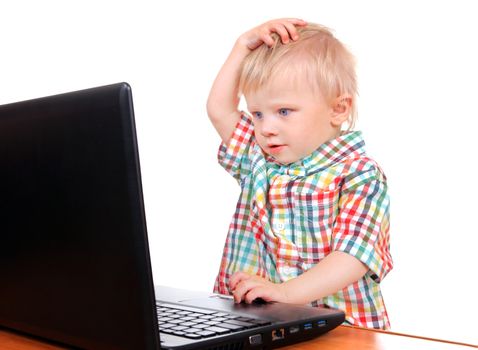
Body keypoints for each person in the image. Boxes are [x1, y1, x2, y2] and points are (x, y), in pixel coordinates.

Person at [206, 18, 393, 329]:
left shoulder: (360, 175)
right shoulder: (258, 159)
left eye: (283, 112)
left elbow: (352, 257)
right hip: (261, 326)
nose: (266, 128)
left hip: (340, 330)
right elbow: (219, 109)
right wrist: (242, 45)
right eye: (257, 114)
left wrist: (285, 293)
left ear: (338, 109)